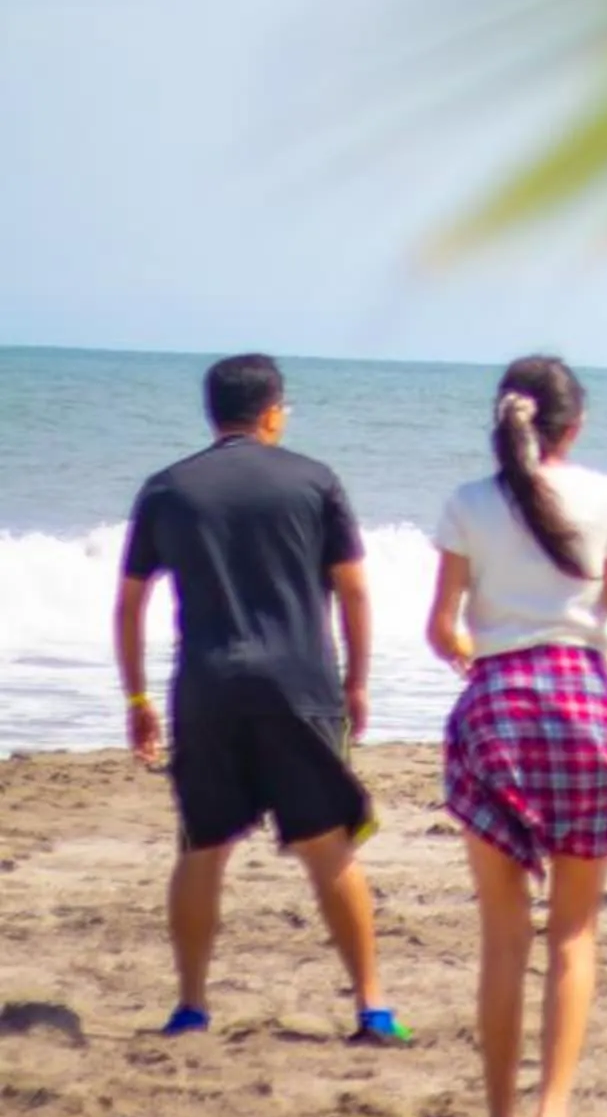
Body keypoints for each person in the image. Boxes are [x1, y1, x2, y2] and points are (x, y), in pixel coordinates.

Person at [428, 356, 607, 1117]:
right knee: (575, 931)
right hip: (584, 710)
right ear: (574, 426)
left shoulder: (468, 503)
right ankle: (553, 1116)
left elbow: (443, 629)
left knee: (503, 937)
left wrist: (496, 664)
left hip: (497, 711)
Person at [114, 353, 405, 1044]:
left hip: (207, 687)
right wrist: (359, 682)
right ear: (273, 412)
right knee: (328, 846)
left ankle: (190, 1007)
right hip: (299, 685)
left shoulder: (167, 488)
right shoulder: (314, 480)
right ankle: (371, 1008)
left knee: (202, 845)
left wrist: (136, 699)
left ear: (213, 413)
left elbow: (129, 605)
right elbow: (355, 591)